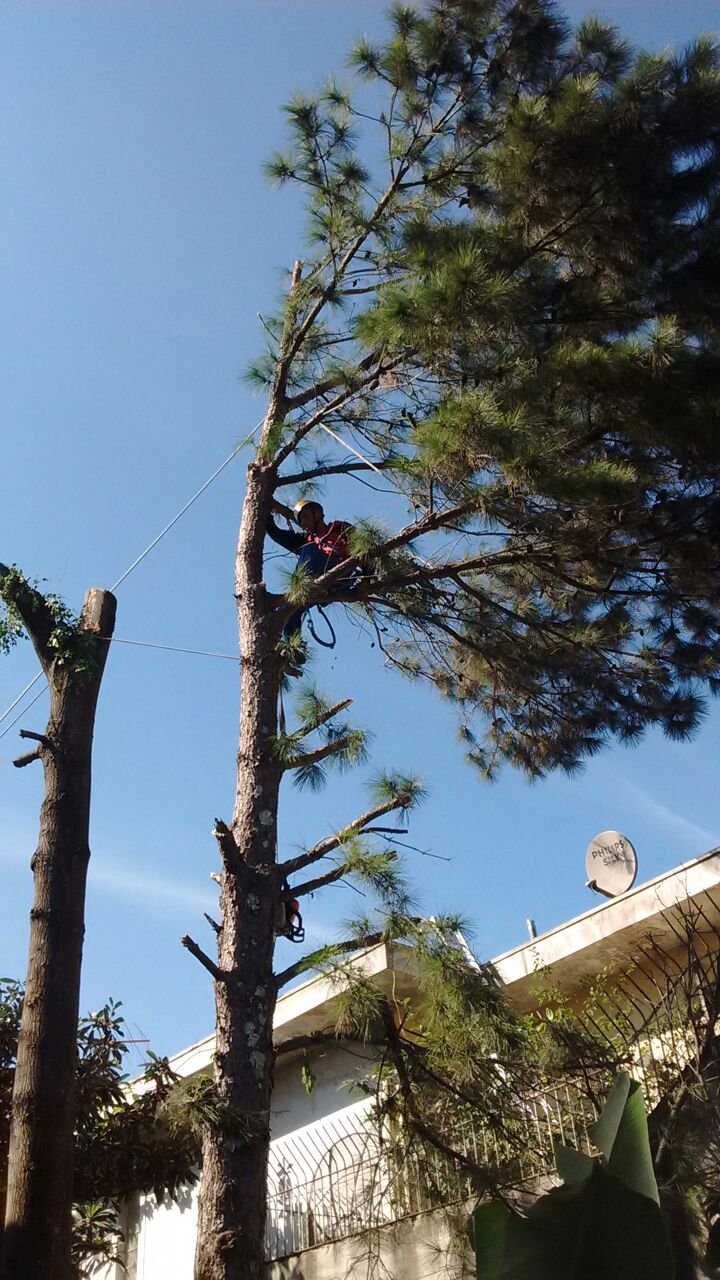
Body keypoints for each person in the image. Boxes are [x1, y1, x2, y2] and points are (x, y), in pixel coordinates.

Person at [266, 498, 356, 655]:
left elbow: (366, 552)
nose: (304, 523)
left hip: (339, 576)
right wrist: (265, 512)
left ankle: (304, 591)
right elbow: (277, 534)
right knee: (290, 609)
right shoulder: (305, 540)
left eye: (306, 517)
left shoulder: (340, 529)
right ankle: (294, 648)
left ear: (318, 514)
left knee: (310, 550)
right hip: (314, 584)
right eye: (301, 521)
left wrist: (366, 580)